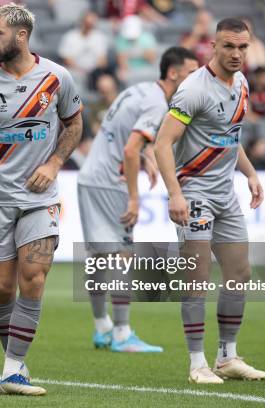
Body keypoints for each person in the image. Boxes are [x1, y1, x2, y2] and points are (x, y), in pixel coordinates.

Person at [0, 3, 82, 396]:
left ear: (21, 36)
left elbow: (75, 123)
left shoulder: (57, 78)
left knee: (34, 278)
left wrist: (56, 162)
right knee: (2, 289)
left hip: (42, 200)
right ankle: (17, 364)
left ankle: (10, 373)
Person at [154, 18, 265, 384]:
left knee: (240, 273)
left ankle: (227, 357)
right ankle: (196, 363)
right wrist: (175, 194)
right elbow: (161, 144)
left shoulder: (242, 84)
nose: (236, 54)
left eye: (242, 47)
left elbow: (229, 138)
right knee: (196, 279)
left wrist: (249, 173)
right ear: (213, 47)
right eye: (229, 47)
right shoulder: (193, 90)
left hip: (225, 195)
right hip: (195, 195)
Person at [78, 47, 199, 353]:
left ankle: (102, 327)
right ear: (173, 73)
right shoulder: (159, 105)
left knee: (98, 257)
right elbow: (130, 149)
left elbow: (123, 136)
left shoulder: (139, 90)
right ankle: (121, 334)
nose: (196, 80)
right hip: (110, 182)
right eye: (191, 73)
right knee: (122, 255)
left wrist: (146, 155)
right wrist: (134, 198)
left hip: (90, 175)